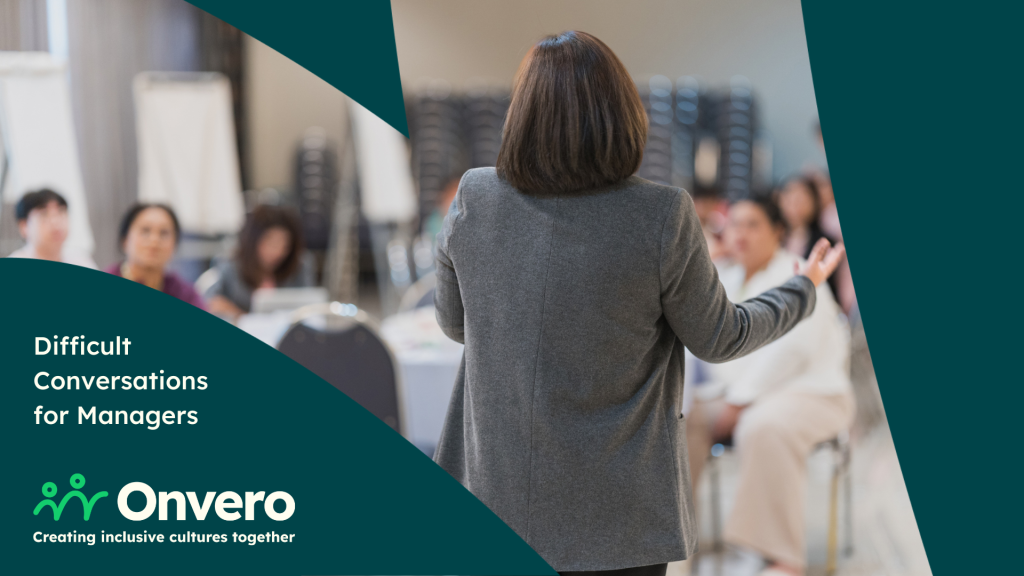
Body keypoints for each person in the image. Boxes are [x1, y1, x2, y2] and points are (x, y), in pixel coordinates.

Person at [431, 31, 845, 576]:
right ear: (621, 114)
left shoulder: (475, 196)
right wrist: (803, 287)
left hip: (496, 493)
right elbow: (722, 335)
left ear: (521, 114)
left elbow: (455, 324)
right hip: (618, 516)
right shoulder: (661, 214)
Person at [686, 197, 854, 576]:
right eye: (735, 224)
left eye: (753, 225)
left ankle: (783, 560)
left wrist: (738, 403)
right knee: (677, 417)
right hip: (736, 395)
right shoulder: (723, 276)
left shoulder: (798, 272)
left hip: (812, 393)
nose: (741, 234)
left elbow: (791, 350)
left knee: (764, 425)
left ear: (778, 231)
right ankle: (674, 544)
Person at [205, 205, 314, 319]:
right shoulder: (230, 265)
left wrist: (241, 314)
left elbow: (310, 308)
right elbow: (212, 303)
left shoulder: (299, 266)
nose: (277, 251)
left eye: (285, 245)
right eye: (271, 243)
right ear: (253, 241)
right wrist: (244, 317)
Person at [104, 203, 205, 309]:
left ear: (175, 244)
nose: (154, 241)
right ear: (125, 240)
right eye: (145, 230)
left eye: (164, 233)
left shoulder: (186, 296)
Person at [8, 188, 96, 268]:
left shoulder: (81, 261)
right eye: (44, 214)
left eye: (61, 211)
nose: (55, 222)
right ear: (24, 226)